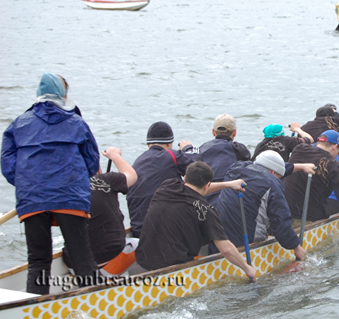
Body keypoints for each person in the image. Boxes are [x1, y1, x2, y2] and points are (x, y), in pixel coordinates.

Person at [1, 73, 99, 294]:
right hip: (70, 196)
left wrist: (28, 183)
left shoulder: (19, 124)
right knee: (82, 259)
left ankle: (35, 311)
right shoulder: (76, 123)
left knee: (38, 262)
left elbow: (7, 165)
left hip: (32, 198)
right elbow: (92, 162)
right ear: (62, 95)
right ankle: (96, 308)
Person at [135, 161, 256, 281]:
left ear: (185, 178)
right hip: (173, 273)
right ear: (206, 185)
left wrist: (228, 184)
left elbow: (195, 189)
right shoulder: (207, 211)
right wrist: (247, 268)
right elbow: (226, 250)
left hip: (142, 263)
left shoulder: (167, 186)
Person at [63, 147, 138, 277]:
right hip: (107, 263)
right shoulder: (106, 180)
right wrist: (115, 156)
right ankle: (130, 285)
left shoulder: (64, 189)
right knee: (141, 243)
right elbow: (132, 175)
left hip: (75, 266)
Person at [217, 151, 305, 260]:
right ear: (272, 172)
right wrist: (295, 246)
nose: (279, 180)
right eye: (279, 177)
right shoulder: (273, 183)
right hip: (246, 241)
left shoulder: (236, 168)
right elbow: (280, 221)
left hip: (219, 236)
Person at [126, 121, 203, 237]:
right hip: (165, 231)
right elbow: (198, 165)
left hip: (139, 230)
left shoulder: (136, 163)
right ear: (169, 144)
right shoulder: (171, 156)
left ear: (148, 144)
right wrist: (188, 148)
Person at [284, 130, 339, 227]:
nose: (337, 155)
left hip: (283, 211)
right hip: (308, 216)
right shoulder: (332, 164)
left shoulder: (299, 148)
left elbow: (316, 145)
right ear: (335, 147)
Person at [184, 114, 251, 206]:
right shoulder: (239, 150)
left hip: (203, 200)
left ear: (213, 132)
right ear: (234, 132)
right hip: (228, 202)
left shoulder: (201, 149)